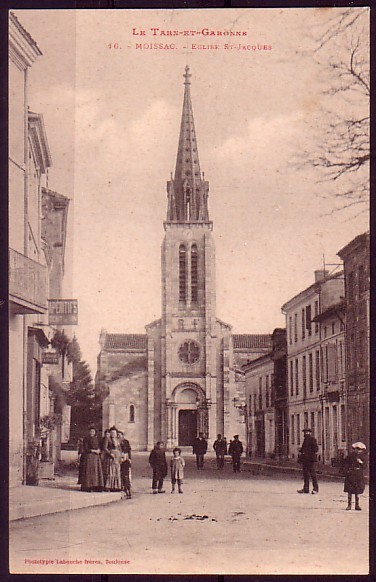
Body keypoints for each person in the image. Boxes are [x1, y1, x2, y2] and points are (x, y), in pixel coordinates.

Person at [343, 442, 367, 511]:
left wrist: (361, 462)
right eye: (357, 449)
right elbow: (345, 463)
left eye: (360, 449)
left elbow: (365, 466)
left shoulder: (363, 457)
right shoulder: (350, 456)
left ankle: (357, 505)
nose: (358, 451)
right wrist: (347, 471)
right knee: (349, 490)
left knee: (357, 490)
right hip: (351, 474)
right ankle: (349, 505)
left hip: (358, 474)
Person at [80, 427, 104, 492]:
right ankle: (88, 487)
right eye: (90, 431)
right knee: (89, 471)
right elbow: (86, 448)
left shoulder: (97, 439)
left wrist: (99, 450)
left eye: (93, 431)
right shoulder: (86, 439)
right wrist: (93, 451)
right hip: (89, 456)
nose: (91, 433)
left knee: (96, 471)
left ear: (95, 432)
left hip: (96, 457)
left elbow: (100, 446)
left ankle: (96, 486)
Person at [297, 427, 319, 494]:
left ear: (310, 433)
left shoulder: (313, 440)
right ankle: (306, 489)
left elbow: (316, 449)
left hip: (310, 459)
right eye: (305, 433)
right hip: (305, 460)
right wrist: (300, 450)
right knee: (305, 474)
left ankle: (315, 489)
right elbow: (303, 449)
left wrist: (308, 452)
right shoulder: (305, 440)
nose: (306, 434)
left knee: (312, 474)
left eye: (307, 432)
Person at [102, 426, 122, 491]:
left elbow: (120, 448)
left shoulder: (118, 440)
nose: (113, 434)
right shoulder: (107, 439)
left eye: (114, 433)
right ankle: (108, 486)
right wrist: (110, 453)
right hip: (110, 457)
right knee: (110, 471)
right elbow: (105, 448)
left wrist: (121, 456)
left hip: (117, 457)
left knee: (116, 471)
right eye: (112, 433)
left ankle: (116, 487)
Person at [118, 430, 132, 495]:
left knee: (125, 475)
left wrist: (129, 458)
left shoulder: (126, 442)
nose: (118, 436)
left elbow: (129, 450)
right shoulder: (116, 442)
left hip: (125, 459)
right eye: (117, 435)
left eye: (120, 435)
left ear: (122, 436)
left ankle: (127, 489)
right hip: (118, 459)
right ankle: (121, 487)